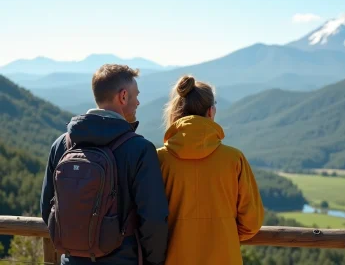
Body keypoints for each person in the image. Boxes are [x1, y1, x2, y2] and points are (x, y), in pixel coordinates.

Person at [40, 64, 169, 265]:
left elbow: (47, 208)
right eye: (136, 95)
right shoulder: (140, 149)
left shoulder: (62, 145)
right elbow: (153, 221)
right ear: (123, 96)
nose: (138, 102)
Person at [156, 75, 264, 265]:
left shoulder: (159, 159)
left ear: (176, 112)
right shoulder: (234, 159)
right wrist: (224, 234)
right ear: (211, 111)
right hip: (225, 257)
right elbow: (251, 223)